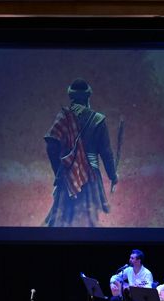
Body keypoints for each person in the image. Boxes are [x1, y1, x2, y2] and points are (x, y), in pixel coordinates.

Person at [44, 78, 119, 227]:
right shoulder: (98, 120)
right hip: (90, 177)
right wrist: (113, 175)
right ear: (88, 97)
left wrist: (60, 170)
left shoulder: (63, 118)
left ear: (71, 97)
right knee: (90, 222)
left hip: (66, 177)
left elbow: (51, 147)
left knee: (62, 221)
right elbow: (106, 152)